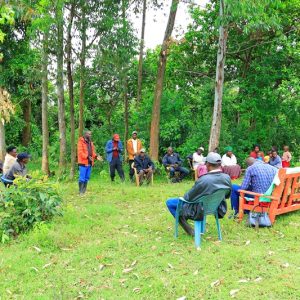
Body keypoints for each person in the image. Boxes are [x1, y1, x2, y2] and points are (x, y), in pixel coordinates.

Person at [166, 152, 232, 235]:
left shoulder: (203, 179)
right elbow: (227, 195)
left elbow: (187, 198)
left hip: (198, 209)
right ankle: (186, 222)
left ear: (208, 164)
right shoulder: (227, 177)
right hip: (215, 207)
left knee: (170, 202)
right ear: (219, 164)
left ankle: (188, 228)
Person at [77, 130, 102, 195]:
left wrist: (96, 157)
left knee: (87, 177)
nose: (90, 135)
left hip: (90, 163)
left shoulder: (91, 143)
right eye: (89, 134)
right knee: (82, 178)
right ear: (85, 134)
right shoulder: (80, 142)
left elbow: (92, 152)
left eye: (91, 134)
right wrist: (87, 157)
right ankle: (80, 192)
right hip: (83, 163)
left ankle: (84, 191)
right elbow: (80, 152)